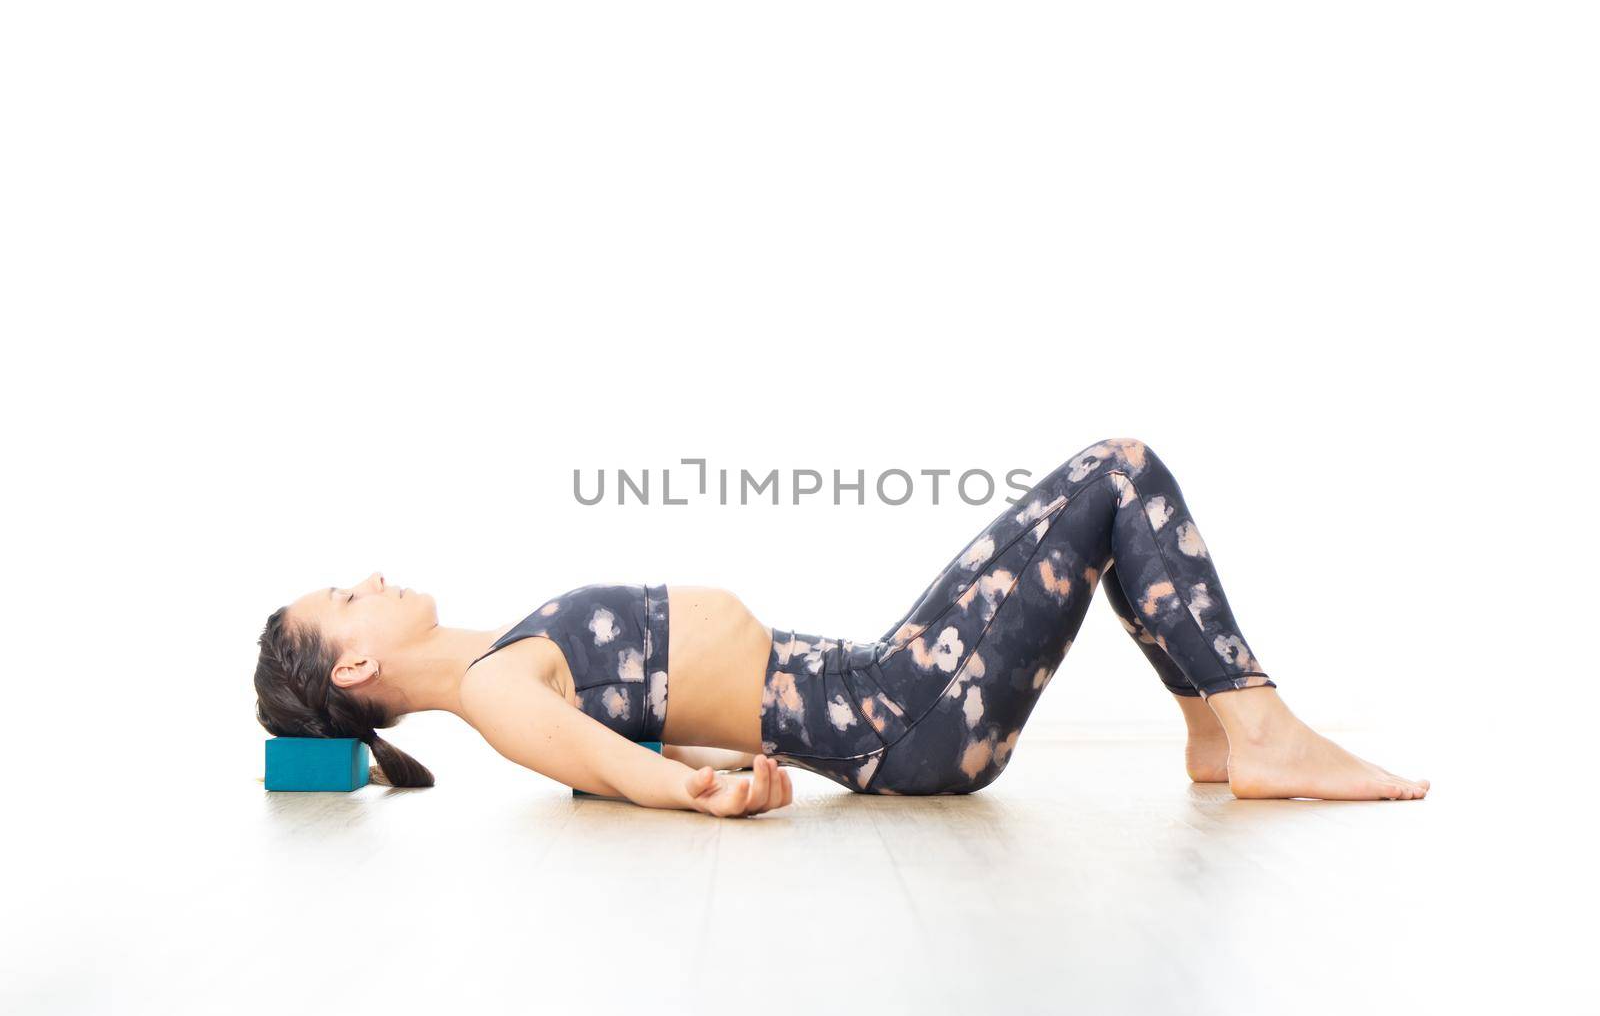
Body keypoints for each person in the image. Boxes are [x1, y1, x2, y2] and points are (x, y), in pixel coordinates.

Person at [255, 438, 1428, 817]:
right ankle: (1255, 724)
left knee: (1100, 496)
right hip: (896, 719)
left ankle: (1219, 735)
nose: (367, 577)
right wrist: (702, 797)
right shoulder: (502, 688)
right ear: (355, 662)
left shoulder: (512, 663)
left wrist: (714, 766)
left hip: (883, 690)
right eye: (345, 595)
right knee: (1117, 472)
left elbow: (633, 743)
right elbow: (612, 766)